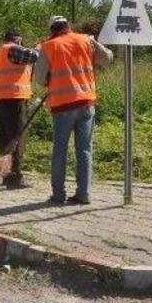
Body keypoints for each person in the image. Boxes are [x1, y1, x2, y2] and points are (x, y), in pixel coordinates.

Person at [34, 16, 113, 205]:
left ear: (52, 29)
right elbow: (107, 58)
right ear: (69, 26)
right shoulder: (85, 39)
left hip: (62, 106)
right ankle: (83, 194)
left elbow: (39, 78)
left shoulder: (48, 46)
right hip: (86, 103)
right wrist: (93, 41)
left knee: (60, 151)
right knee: (85, 150)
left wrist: (50, 79)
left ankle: (58, 195)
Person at [0, 29, 38, 189]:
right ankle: (15, 177)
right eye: (21, 42)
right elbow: (33, 56)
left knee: (6, 140)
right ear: (18, 40)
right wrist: (39, 47)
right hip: (13, 100)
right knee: (17, 138)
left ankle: (6, 175)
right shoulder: (12, 49)